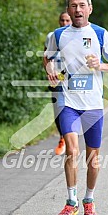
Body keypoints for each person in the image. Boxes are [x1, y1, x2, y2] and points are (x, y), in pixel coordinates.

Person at [44, 0, 108, 215]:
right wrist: (50, 69)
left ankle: (89, 199)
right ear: (68, 9)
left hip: (93, 106)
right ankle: (71, 202)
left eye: (82, 5)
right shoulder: (58, 35)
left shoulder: (100, 34)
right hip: (68, 102)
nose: (77, 9)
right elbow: (48, 59)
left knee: (93, 158)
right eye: (73, 5)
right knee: (72, 151)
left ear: (90, 8)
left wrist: (101, 66)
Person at [44, 12, 72, 155]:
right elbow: (46, 56)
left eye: (67, 20)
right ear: (59, 21)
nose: (65, 22)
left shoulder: (77, 35)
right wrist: (50, 72)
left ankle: (70, 137)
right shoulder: (52, 36)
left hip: (73, 79)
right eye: (62, 20)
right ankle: (62, 138)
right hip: (57, 78)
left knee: (72, 109)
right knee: (58, 111)